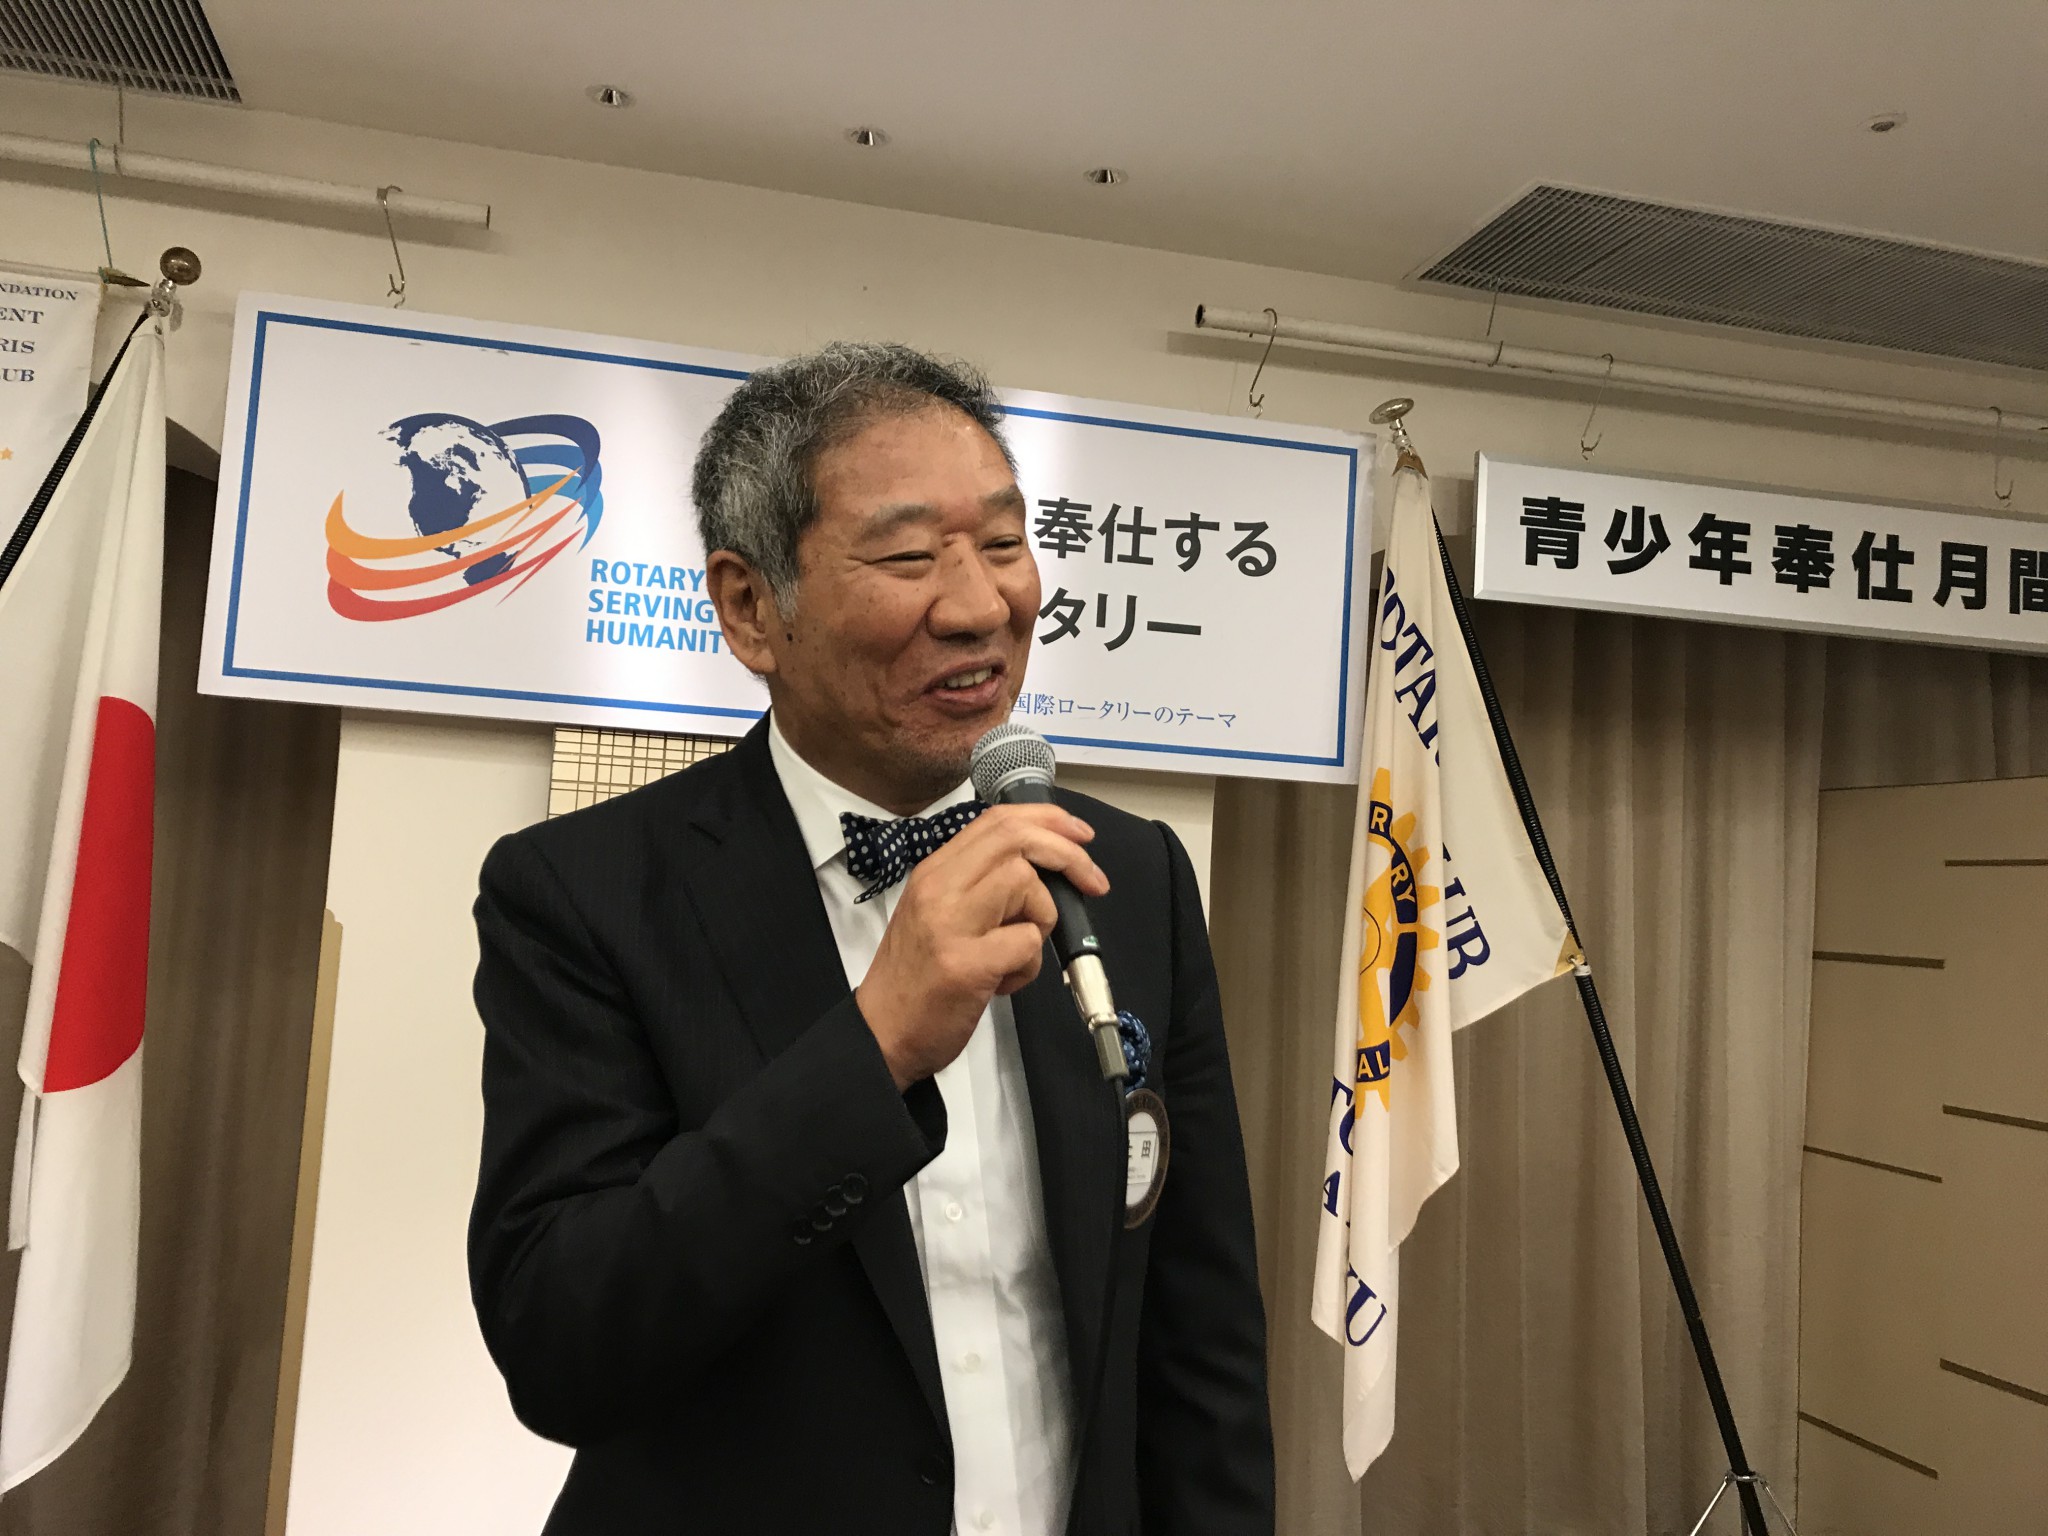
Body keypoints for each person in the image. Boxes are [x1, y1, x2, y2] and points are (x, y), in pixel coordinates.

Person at [468, 342, 1273, 1535]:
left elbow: (1200, 1335)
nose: (980, 604)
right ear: (751, 608)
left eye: (1002, 543)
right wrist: (874, 1045)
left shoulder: (1130, 872)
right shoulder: (582, 892)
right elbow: (561, 1345)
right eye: (906, 558)